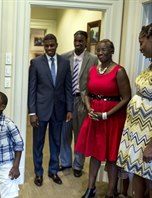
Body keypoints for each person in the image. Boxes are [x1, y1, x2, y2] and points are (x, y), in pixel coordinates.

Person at [75, 39, 131, 198]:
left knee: (111, 156)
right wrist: (88, 107)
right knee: (95, 153)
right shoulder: (93, 70)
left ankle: (110, 192)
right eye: (98, 50)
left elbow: (126, 98)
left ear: (112, 51)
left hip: (112, 118)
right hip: (94, 117)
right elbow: (86, 92)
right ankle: (90, 188)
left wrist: (106, 114)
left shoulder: (119, 71)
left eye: (104, 50)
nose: (100, 53)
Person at [28, 33, 73, 186]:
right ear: (44, 46)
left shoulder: (65, 63)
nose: (49, 48)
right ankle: (38, 173)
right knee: (38, 143)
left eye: (52, 45)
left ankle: (53, 171)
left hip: (59, 109)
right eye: (46, 46)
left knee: (56, 142)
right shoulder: (35, 63)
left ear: (56, 44)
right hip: (40, 111)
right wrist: (32, 112)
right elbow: (32, 89)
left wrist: (70, 109)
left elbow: (68, 88)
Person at [117, 23, 152, 198]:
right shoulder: (150, 66)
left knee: (149, 180)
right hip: (137, 133)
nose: (140, 48)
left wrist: (151, 145)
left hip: (148, 137)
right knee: (138, 173)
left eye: (141, 42)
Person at [60, 30, 98, 177]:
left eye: (81, 41)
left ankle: (78, 165)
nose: (77, 43)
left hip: (82, 101)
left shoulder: (93, 59)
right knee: (65, 133)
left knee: (80, 134)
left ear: (86, 42)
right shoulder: (64, 57)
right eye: (75, 40)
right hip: (66, 101)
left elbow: (93, 81)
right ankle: (65, 162)